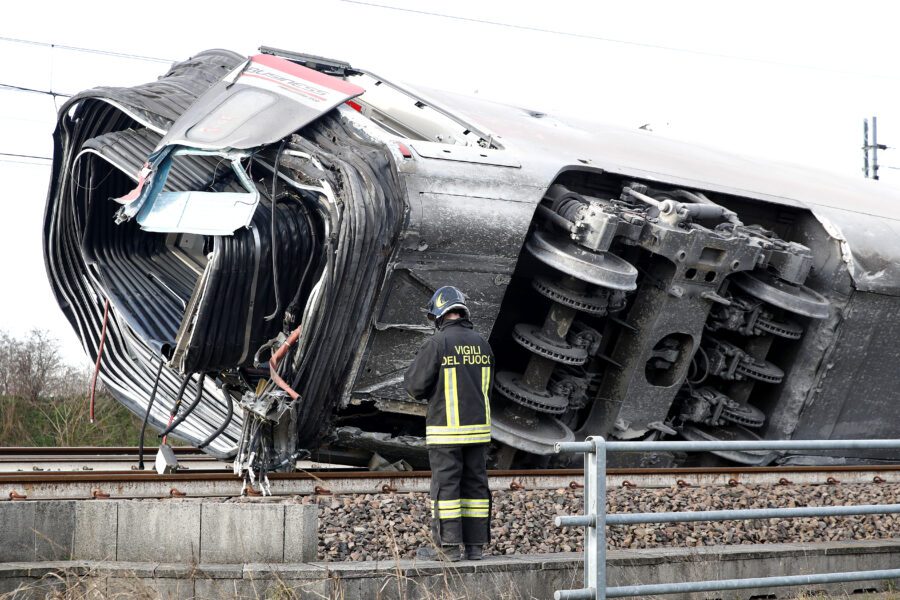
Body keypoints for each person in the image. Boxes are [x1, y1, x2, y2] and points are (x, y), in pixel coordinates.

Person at [404, 285, 494, 562]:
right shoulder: (482, 343)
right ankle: (476, 546)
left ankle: (449, 548)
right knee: (476, 486)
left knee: (446, 488)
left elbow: (415, 386)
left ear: (440, 315)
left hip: (446, 431)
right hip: (479, 430)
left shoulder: (438, 343)